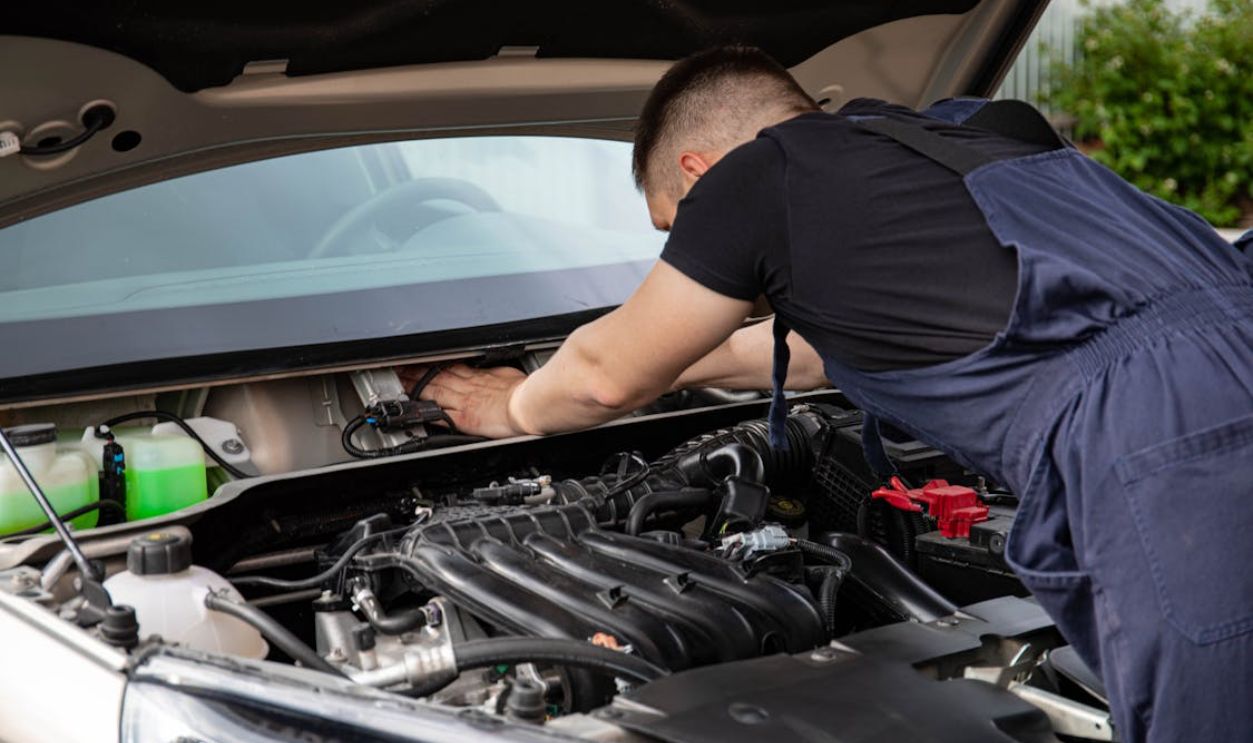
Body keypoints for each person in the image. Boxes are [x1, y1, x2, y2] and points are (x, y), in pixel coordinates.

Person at [407, 47, 1253, 742]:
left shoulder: (756, 174)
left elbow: (600, 375)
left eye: (676, 224)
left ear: (700, 172)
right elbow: (813, 358)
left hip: (1161, 434)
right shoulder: (975, 135)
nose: (691, 245)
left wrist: (511, 405)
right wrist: (685, 357)